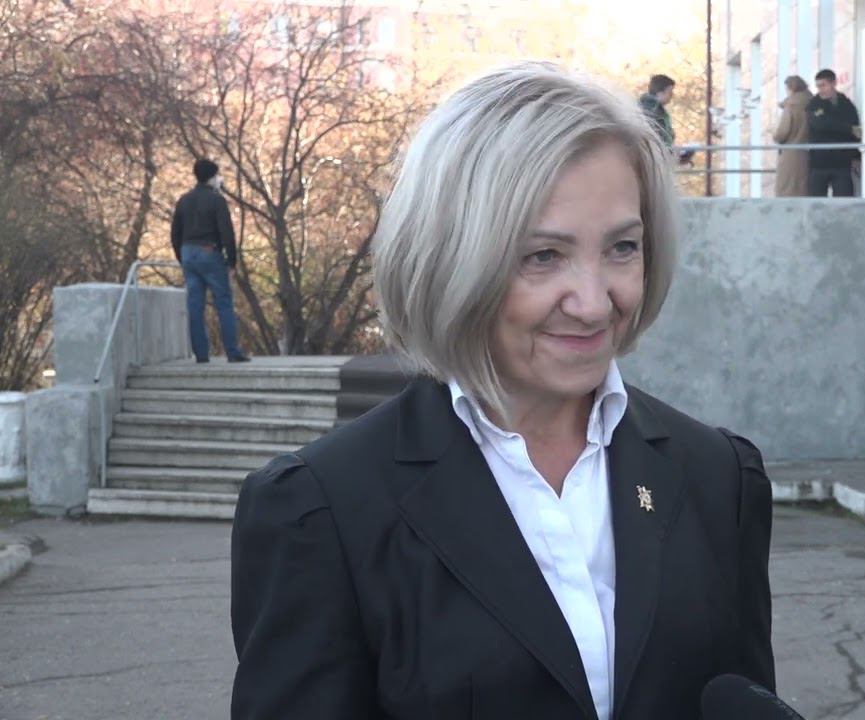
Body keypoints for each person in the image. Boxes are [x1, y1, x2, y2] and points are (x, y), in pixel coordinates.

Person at [229, 63, 774, 719]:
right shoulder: (321, 511)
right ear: (450, 258)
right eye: (543, 256)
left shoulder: (718, 476)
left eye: (623, 247)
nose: (594, 302)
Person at [170, 158, 249, 363]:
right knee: (223, 301)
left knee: (195, 305)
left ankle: (201, 354)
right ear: (212, 177)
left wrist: (181, 256)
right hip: (209, 251)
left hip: (188, 252)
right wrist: (231, 260)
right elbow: (226, 232)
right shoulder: (216, 200)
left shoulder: (184, 200)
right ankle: (232, 351)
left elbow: (175, 232)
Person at [805, 68, 861, 197]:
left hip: (841, 162)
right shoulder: (814, 104)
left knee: (844, 201)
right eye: (818, 86)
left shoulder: (846, 104)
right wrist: (848, 129)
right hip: (819, 162)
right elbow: (820, 124)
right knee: (817, 202)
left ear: (834, 83)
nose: (821, 90)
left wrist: (856, 156)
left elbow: (855, 130)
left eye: (823, 85)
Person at [638, 73, 694, 165]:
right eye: (670, 92)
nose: (672, 96)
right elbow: (656, 138)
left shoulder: (656, 110)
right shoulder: (652, 111)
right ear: (660, 93)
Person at [773, 75, 813, 197]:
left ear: (791, 88)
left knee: (787, 190)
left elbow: (783, 131)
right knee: (803, 190)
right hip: (807, 153)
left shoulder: (791, 106)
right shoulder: (811, 103)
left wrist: (775, 136)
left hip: (790, 153)